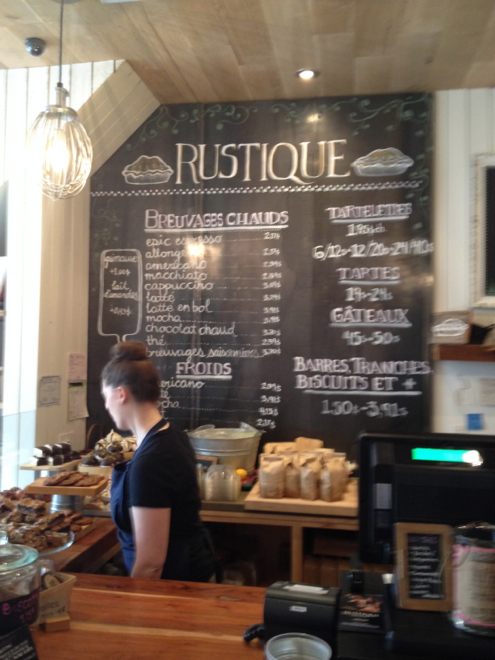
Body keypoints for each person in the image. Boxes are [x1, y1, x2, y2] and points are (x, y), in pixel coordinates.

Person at [101, 341, 215, 582]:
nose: (105, 405)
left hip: (176, 587)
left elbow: (151, 564)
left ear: (120, 394)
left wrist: (135, 602)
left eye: (105, 396)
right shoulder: (170, 434)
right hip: (190, 573)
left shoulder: (152, 459)